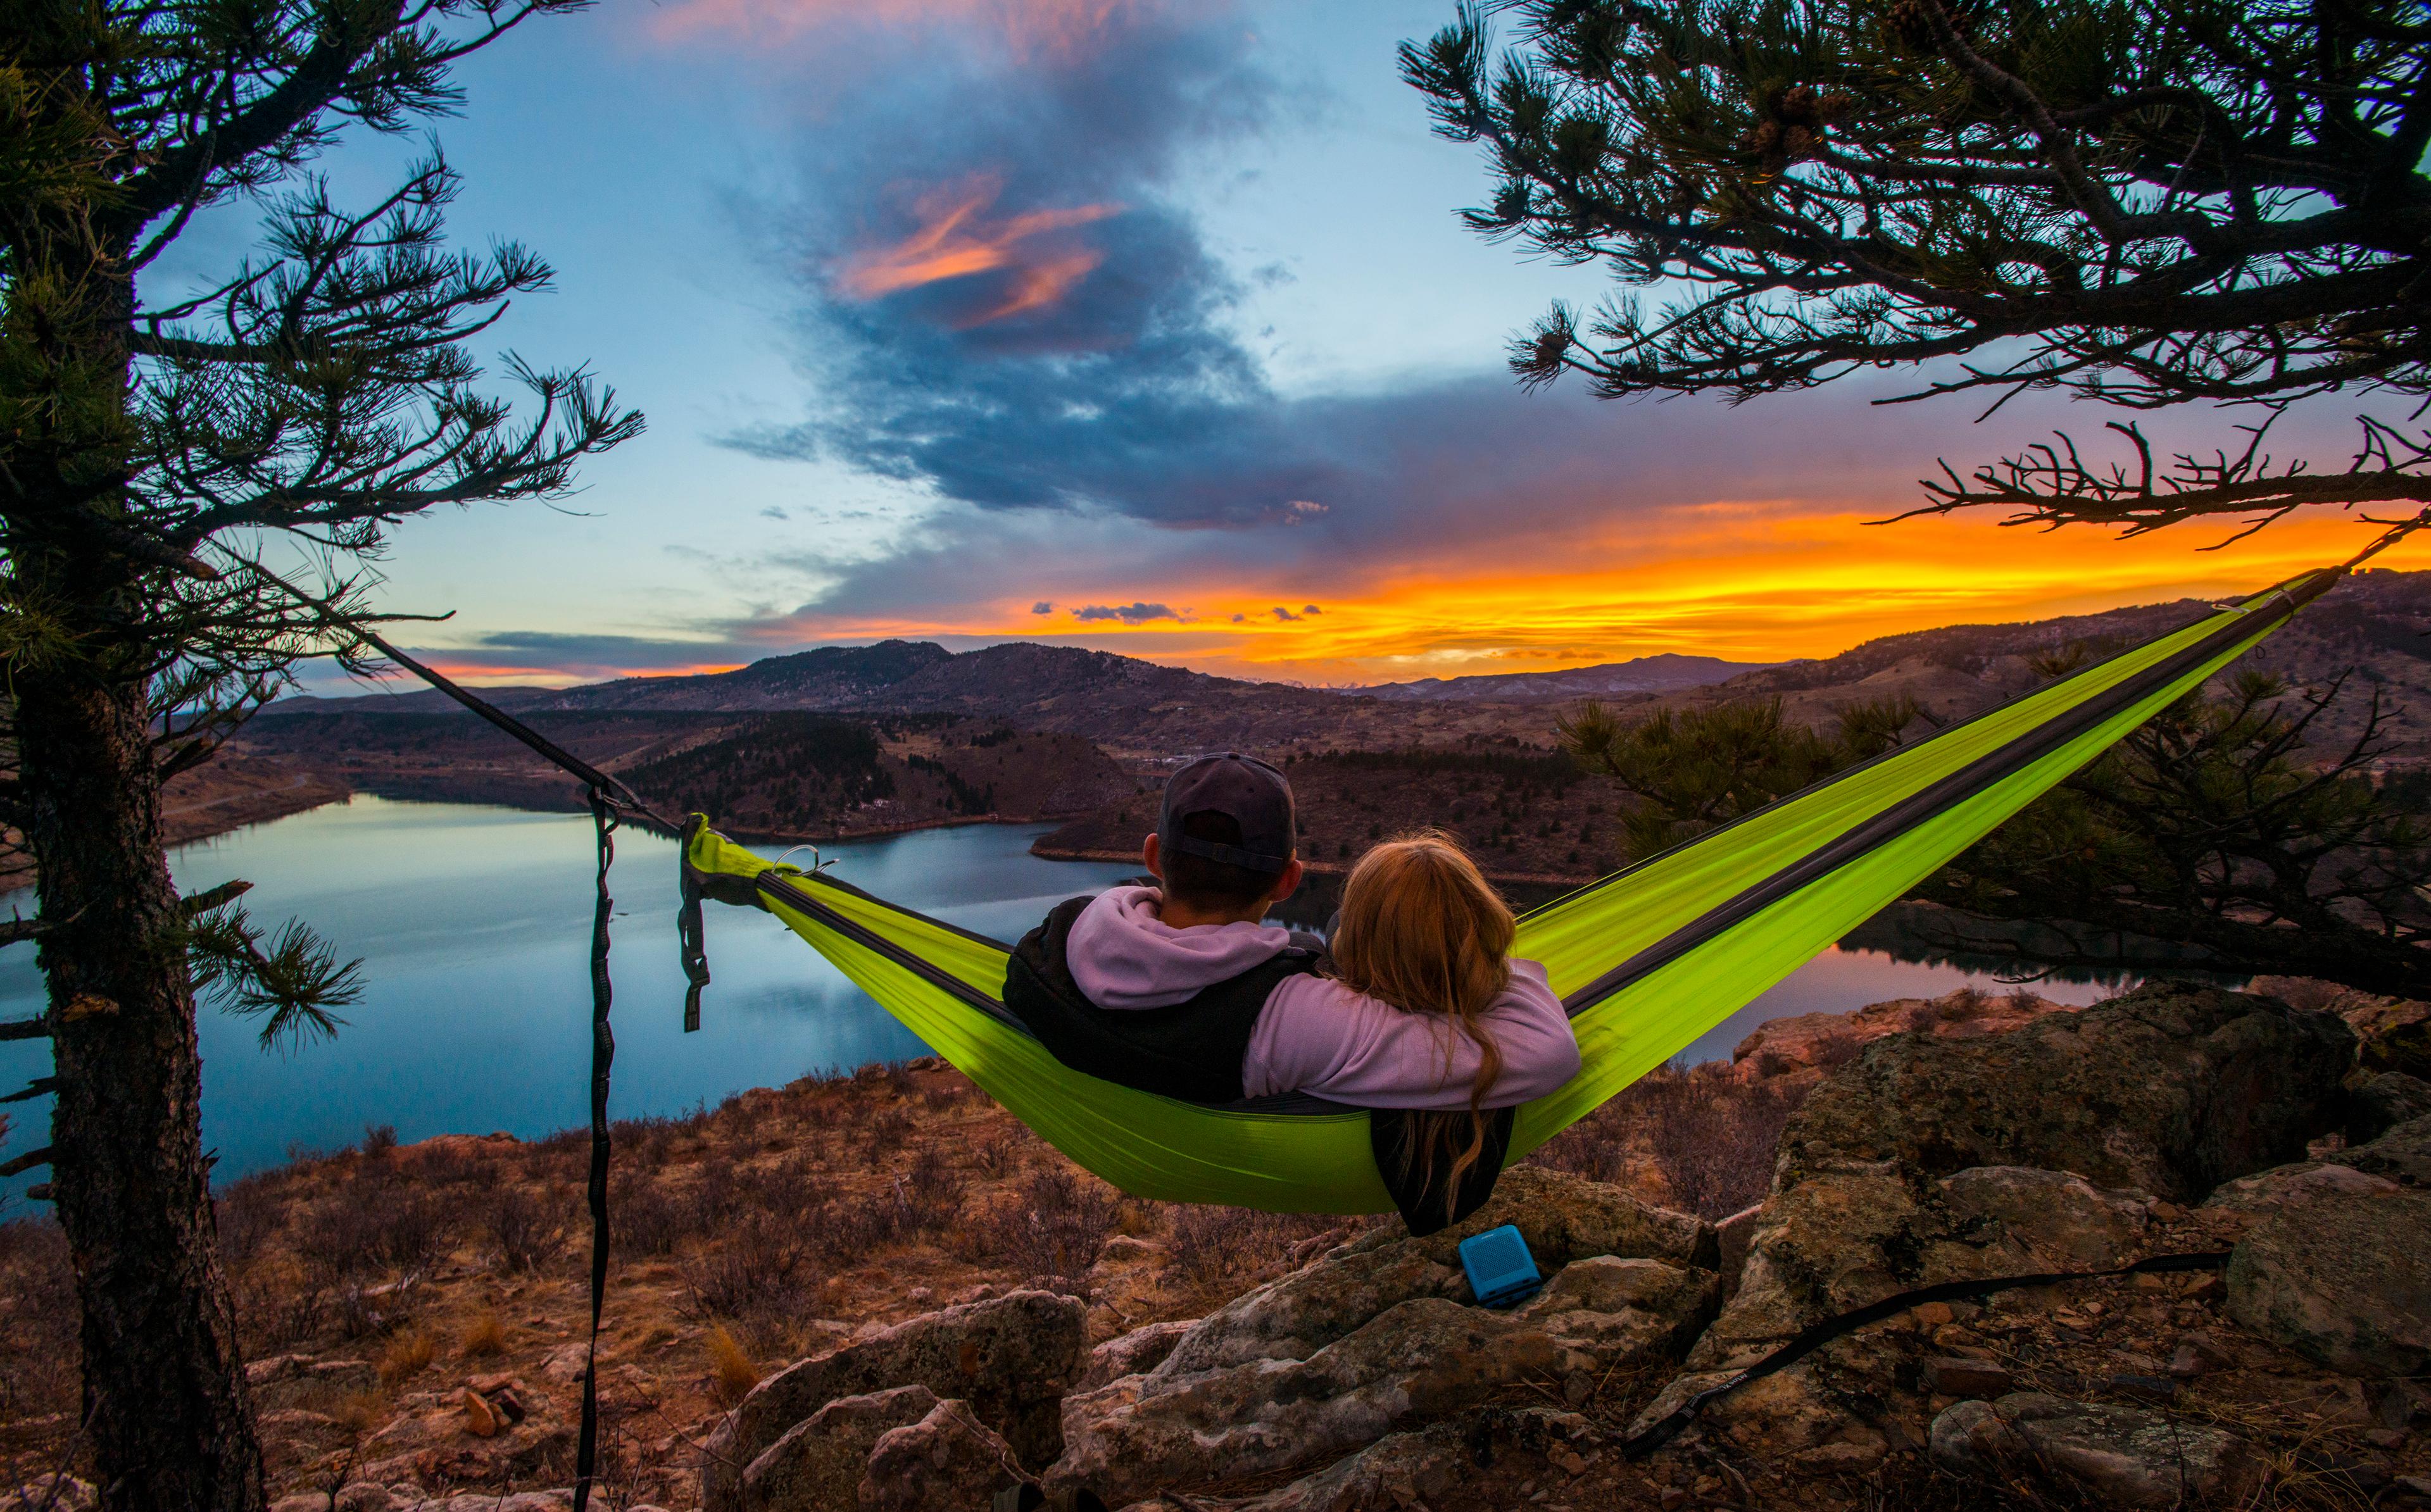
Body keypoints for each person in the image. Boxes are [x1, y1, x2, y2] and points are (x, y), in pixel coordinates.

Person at [1002, 753, 1579, 1220]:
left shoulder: (1064, 938)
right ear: (1288, 880)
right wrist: (1488, 950)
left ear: (1153, 856)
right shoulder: (1291, 1016)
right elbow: (1545, 1050)